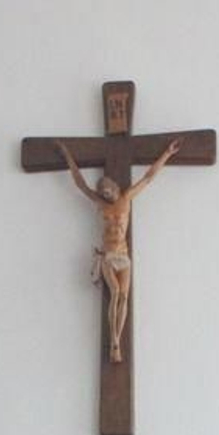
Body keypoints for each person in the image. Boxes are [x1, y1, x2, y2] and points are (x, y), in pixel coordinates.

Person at [54, 137, 182, 362]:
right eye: (102, 192)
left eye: (107, 190)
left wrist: (167, 154)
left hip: (123, 256)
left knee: (124, 295)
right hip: (109, 255)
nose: (105, 194)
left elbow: (149, 177)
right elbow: (80, 184)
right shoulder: (101, 204)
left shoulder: (126, 198)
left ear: (114, 187)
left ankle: (117, 341)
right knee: (114, 294)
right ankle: (114, 342)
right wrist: (67, 156)